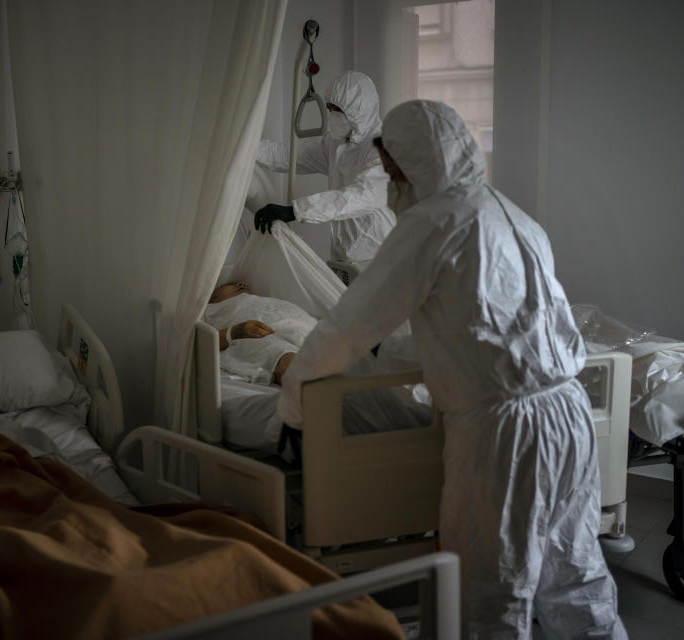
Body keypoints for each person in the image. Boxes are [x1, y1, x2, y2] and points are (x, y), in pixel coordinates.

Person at [276, 100, 626, 638]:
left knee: (490, 596)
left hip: (505, 434)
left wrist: (295, 403)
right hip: (569, 412)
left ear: (415, 164)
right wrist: (391, 356)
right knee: (577, 579)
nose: (392, 186)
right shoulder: (513, 215)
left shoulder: (432, 223)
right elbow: (484, 330)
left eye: (394, 173)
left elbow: (345, 328)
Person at [252, 70, 396, 267]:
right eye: (329, 108)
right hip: (343, 255)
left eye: (336, 109)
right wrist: (246, 148)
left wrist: (295, 210)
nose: (331, 115)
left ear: (358, 110)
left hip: (380, 256)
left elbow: (362, 195)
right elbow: (288, 155)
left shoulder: (384, 147)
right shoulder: (336, 143)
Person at [204, 280, 318, 385]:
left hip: (298, 324)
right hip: (255, 334)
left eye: (241, 284)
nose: (242, 284)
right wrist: (233, 332)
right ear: (213, 297)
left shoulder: (264, 300)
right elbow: (198, 343)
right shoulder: (210, 310)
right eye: (231, 285)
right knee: (279, 352)